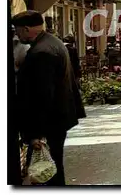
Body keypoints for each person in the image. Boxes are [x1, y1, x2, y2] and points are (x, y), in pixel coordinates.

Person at [13, 10, 82, 186]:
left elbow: (43, 95)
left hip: (48, 124)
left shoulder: (41, 52)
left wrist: (36, 134)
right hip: (57, 120)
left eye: (18, 30)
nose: (17, 34)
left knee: (44, 170)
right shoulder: (53, 42)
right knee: (52, 167)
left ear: (26, 29)